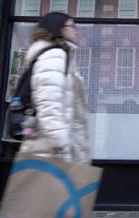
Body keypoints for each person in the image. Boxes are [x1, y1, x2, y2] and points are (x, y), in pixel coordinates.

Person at [19, 12, 90, 164]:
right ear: (59, 29)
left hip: (53, 149)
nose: (76, 31)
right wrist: (60, 144)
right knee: (46, 188)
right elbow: (48, 103)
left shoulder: (61, 56)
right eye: (72, 26)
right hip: (51, 152)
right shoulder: (54, 56)